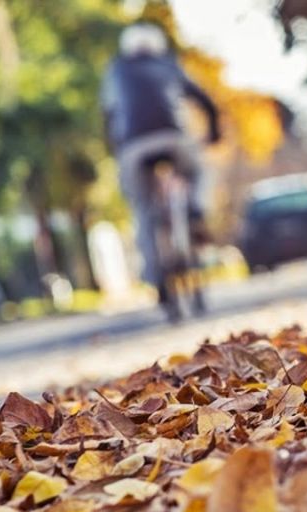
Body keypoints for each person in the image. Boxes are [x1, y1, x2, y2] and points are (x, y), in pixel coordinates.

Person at [100, 22, 221, 304]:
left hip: (133, 146)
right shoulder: (168, 64)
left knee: (142, 208)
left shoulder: (116, 70)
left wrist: (115, 148)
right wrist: (214, 130)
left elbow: (107, 113)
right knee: (198, 171)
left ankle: (156, 278)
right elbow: (203, 98)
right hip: (173, 137)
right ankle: (195, 208)